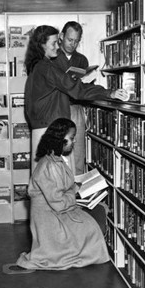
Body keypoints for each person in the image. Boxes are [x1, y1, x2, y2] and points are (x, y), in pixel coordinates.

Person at [24, 25, 129, 172]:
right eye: (54, 43)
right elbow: (77, 89)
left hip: (42, 128)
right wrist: (109, 93)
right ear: (42, 45)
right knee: (54, 179)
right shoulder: (47, 67)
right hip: (49, 128)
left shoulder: (37, 66)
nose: (57, 47)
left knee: (44, 178)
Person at [16, 118, 109, 270]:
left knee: (97, 213)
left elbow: (61, 187)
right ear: (60, 139)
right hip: (52, 219)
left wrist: (75, 187)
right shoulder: (50, 166)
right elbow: (58, 203)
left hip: (56, 211)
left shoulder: (54, 160)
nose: (74, 142)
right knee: (91, 227)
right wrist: (76, 194)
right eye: (71, 138)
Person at [54, 21, 90, 175]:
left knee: (78, 150)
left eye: (76, 41)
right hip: (56, 108)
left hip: (75, 107)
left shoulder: (81, 60)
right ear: (61, 36)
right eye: (70, 40)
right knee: (57, 151)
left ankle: (77, 192)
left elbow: (82, 87)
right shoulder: (51, 57)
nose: (73, 44)